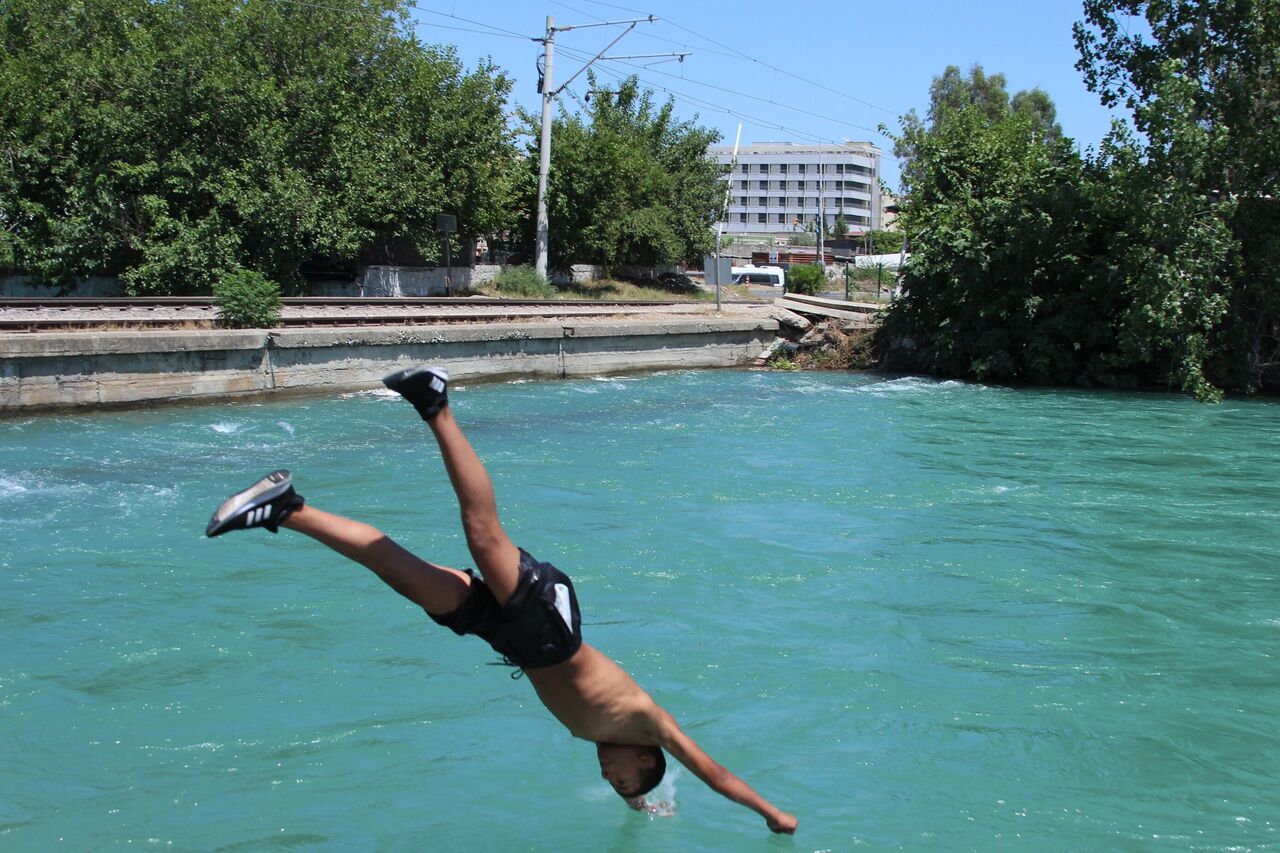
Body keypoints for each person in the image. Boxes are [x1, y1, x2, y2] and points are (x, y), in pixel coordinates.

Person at [206, 365, 798, 835]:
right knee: (483, 532)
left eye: (614, 785)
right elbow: (715, 774)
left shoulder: (605, 737)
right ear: (646, 759)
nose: (608, 776)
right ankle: (435, 401)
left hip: (512, 642)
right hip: (549, 626)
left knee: (400, 573)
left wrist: (642, 810)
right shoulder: (651, 725)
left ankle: (286, 507)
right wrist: (771, 814)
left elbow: (644, 788)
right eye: (623, 782)